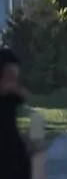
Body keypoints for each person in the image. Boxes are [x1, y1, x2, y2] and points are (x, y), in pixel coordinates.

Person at [0, 48, 32, 179]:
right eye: (9, 76)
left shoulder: (11, 98)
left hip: (14, 161)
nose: (13, 81)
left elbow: (24, 96)